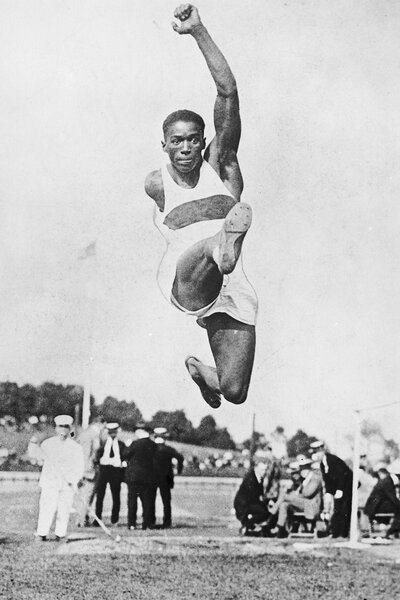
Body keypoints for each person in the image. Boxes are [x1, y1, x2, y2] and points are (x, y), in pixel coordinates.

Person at [145, 4, 258, 410]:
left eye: (194, 139)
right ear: (164, 147)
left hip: (231, 286)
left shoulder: (222, 166)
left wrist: (199, 31)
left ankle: (199, 369)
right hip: (185, 277)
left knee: (234, 391)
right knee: (211, 246)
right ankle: (220, 243)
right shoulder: (158, 183)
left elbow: (227, 92)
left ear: (204, 139)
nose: (187, 147)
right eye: (177, 141)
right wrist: (218, 243)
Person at [35, 414, 84, 541]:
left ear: (70, 429)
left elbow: (79, 467)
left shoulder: (75, 447)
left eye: (66, 427)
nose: (63, 430)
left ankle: (60, 533)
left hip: (67, 484)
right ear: (56, 428)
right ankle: (42, 533)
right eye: (60, 427)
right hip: (50, 483)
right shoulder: (47, 444)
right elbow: (39, 459)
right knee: (47, 508)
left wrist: (74, 480)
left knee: (64, 509)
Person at [270, 458, 323, 537]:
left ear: (309, 468)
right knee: (284, 504)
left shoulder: (315, 478)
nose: (302, 472)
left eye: (304, 469)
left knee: (284, 496)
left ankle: (271, 514)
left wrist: (295, 494)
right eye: (301, 469)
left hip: (311, 506)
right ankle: (279, 527)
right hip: (304, 504)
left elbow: (307, 494)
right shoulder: (306, 479)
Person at [310, 440, 353, 538]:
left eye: (317, 452)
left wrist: (340, 489)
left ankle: (343, 533)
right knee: (337, 510)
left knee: (344, 510)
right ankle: (336, 533)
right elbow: (328, 481)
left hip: (347, 487)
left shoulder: (332, 459)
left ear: (322, 451)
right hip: (339, 489)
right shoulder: (322, 464)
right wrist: (328, 493)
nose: (316, 455)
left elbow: (342, 475)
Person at [123, 423, 157, 530]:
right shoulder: (153, 445)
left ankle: (132, 523)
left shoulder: (134, 444)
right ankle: (146, 523)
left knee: (132, 501)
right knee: (147, 501)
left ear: (140, 431)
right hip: (148, 476)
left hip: (133, 477)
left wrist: (127, 445)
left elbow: (124, 454)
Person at [148, 427, 184, 529]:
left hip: (152, 476)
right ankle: (167, 522)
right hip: (166, 477)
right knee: (166, 501)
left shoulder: (150, 449)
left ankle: (151, 521)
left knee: (151, 499)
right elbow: (180, 457)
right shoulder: (169, 449)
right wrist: (179, 470)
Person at [94, 423, 126, 527]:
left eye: (114, 432)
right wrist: (98, 464)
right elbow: (97, 455)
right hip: (104, 470)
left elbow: (125, 455)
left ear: (116, 432)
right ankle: (97, 519)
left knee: (115, 496)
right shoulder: (103, 443)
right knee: (100, 496)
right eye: (110, 432)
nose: (112, 434)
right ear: (108, 432)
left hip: (116, 471)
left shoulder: (121, 444)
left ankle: (114, 519)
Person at [76, 417, 106, 527]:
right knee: (88, 495)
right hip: (90, 469)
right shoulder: (95, 435)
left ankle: (81, 518)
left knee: (82, 495)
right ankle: (83, 519)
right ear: (100, 423)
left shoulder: (83, 433)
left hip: (80, 468)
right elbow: (95, 449)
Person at [234, 457, 271, 536]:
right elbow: (253, 496)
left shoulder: (258, 477)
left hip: (248, 502)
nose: (264, 472)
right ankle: (246, 526)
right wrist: (264, 502)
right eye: (262, 470)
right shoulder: (250, 478)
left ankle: (249, 527)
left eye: (265, 470)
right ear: (256, 468)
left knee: (264, 510)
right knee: (264, 512)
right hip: (243, 504)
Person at [364, 467, 400, 539]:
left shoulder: (384, 480)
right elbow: (392, 497)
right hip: (377, 507)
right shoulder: (387, 481)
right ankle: (392, 531)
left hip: (374, 507)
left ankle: (394, 530)